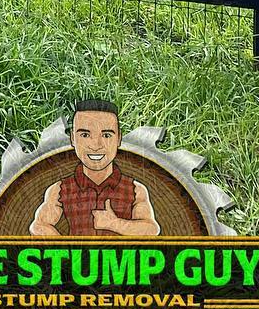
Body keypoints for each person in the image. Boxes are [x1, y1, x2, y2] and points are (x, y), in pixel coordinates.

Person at [29, 101, 160, 238]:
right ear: (73, 139)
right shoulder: (60, 189)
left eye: (106, 135)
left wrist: (114, 223)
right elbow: (38, 226)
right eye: (85, 135)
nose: (95, 145)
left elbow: (151, 230)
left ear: (119, 139)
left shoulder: (135, 190)